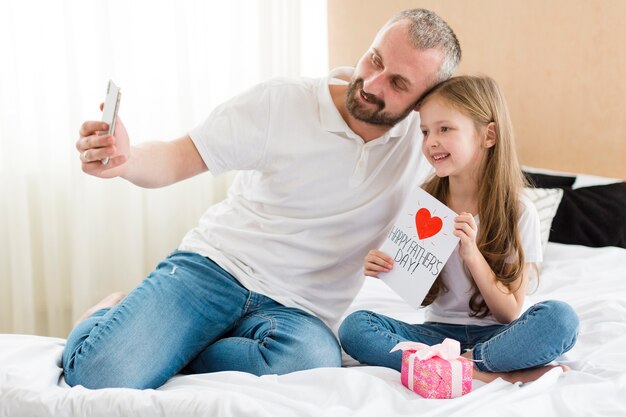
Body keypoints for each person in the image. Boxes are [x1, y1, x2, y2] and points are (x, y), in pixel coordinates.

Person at [63, 9, 462, 389]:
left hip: (297, 314)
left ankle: (174, 345)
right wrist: (126, 159)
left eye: (398, 83)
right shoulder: (282, 101)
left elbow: (478, 188)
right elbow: (176, 157)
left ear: (424, 100)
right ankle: (110, 311)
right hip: (214, 268)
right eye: (374, 60)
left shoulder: (426, 145)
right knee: (99, 373)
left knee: (311, 360)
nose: (373, 83)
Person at [338, 75, 580, 384]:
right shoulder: (424, 204)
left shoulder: (519, 212)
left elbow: (509, 313)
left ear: (488, 136)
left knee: (561, 319)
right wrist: (388, 267)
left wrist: (472, 254)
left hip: (499, 336)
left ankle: (460, 367)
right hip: (435, 334)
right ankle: (486, 374)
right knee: (355, 327)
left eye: (445, 129)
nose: (430, 142)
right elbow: (425, 297)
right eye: (425, 132)